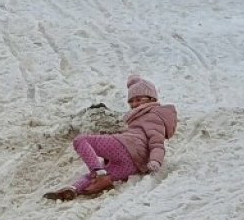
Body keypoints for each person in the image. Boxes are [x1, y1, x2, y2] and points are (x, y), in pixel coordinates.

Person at [43, 76, 177, 201]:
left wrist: (155, 161)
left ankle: (99, 174)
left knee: (81, 140)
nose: (134, 104)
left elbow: (157, 143)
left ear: (152, 99)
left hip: (127, 148)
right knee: (97, 175)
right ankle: (74, 189)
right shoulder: (141, 117)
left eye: (139, 99)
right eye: (131, 101)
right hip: (132, 166)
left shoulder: (154, 115)